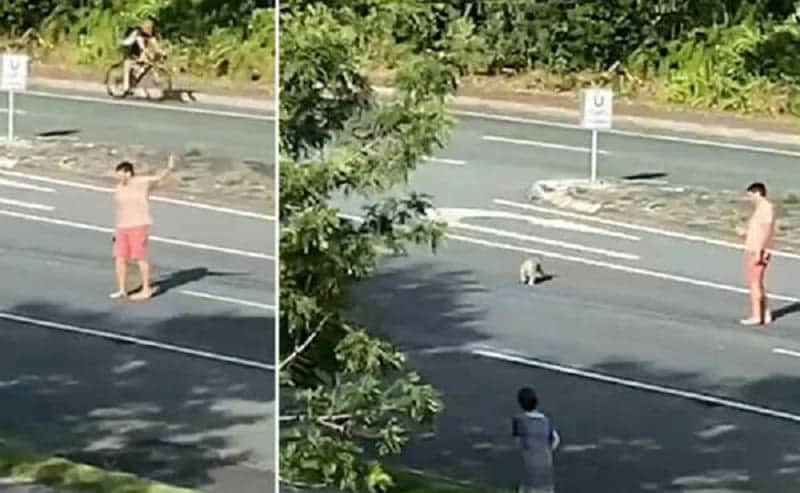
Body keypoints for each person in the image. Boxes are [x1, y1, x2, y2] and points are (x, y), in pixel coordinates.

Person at [111, 155, 175, 301]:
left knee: (140, 257)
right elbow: (120, 210)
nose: (118, 178)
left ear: (128, 173)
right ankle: (122, 289)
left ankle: (146, 289)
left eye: (120, 174)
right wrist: (116, 229)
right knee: (120, 258)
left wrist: (169, 168)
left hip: (139, 225)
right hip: (122, 227)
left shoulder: (141, 183)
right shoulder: (118, 188)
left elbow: (158, 178)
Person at [736, 182, 776, 326]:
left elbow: (766, 231)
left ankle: (757, 315)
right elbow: (758, 230)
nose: (750, 199)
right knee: (758, 283)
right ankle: (764, 312)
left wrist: (760, 251)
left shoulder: (766, 208)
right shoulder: (761, 209)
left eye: (751, 195)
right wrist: (745, 233)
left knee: (754, 284)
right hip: (754, 248)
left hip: (757, 250)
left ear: (758, 193)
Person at [512, 387, 560, 493]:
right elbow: (555, 439)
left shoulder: (519, 420)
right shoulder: (545, 420)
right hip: (547, 464)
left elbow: (518, 442)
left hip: (530, 464)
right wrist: (546, 449)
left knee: (528, 487)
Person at [121, 19, 164, 94]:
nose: (149, 30)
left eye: (150, 28)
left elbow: (155, 45)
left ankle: (136, 76)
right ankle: (126, 87)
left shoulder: (151, 34)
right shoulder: (138, 33)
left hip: (139, 48)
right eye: (148, 28)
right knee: (128, 64)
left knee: (149, 60)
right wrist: (146, 54)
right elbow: (142, 47)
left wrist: (162, 53)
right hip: (130, 47)